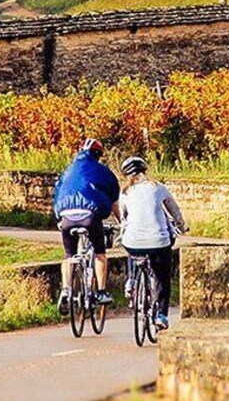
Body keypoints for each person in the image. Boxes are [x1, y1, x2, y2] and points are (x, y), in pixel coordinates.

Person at [53, 138, 121, 315]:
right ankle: (101, 291)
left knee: (69, 255)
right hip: (90, 217)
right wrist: (123, 223)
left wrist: (59, 218)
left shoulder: (68, 171)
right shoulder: (102, 171)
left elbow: (57, 193)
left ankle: (67, 289)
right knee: (100, 253)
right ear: (98, 155)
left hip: (66, 216)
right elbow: (114, 200)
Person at [120, 156, 186, 330]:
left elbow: (123, 218)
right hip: (159, 241)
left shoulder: (125, 192)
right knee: (163, 277)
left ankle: (132, 281)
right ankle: (162, 315)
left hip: (132, 241)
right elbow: (174, 210)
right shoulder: (158, 188)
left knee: (131, 249)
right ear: (145, 171)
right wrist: (182, 226)